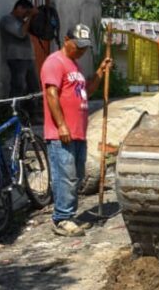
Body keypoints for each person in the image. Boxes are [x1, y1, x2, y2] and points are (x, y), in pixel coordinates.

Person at [41, 24, 111, 237]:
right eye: (78, 46)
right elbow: (51, 95)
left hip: (78, 132)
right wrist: (61, 124)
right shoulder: (55, 62)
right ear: (66, 40)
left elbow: (87, 91)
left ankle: (69, 214)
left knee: (77, 176)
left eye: (84, 47)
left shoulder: (75, 66)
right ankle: (61, 219)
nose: (81, 50)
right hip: (61, 133)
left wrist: (100, 72)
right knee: (66, 176)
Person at [0, 0, 39, 97]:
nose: (25, 15)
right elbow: (21, 33)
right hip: (17, 58)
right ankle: (14, 109)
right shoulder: (7, 20)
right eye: (25, 12)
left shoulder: (23, 21)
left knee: (34, 87)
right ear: (19, 8)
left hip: (28, 58)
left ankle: (32, 110)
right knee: (18, 86)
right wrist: (30, 16)